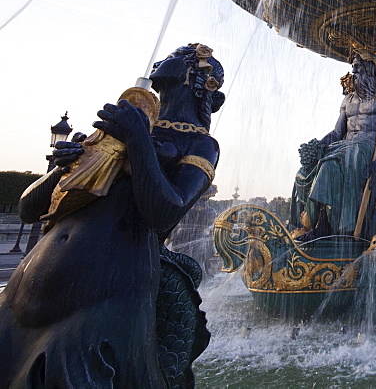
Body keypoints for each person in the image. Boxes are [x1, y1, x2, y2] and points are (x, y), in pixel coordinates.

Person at [0, 43, 224, 387]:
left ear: (198, 78)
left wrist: (138, 142)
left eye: (178, 55)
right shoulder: (123, 123)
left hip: (103, 295)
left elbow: (164, 214)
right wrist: (61, 169)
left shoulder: (200, 145)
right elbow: (30, 209)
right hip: (26, 289)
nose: (163, 59)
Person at [289, 49, 376, 240]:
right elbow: (337, 132)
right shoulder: (348, 99)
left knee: (341, 158)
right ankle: (317, 222)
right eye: (353, 68)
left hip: (367, 145)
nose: (354, 73)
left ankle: (328, 225)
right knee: (321, 163)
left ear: (371, 69)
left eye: (358, 68)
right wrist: (318, 146)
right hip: (346, 145)